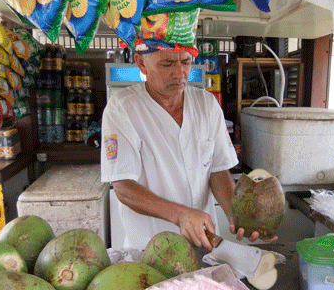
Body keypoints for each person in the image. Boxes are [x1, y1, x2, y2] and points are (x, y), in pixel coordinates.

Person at [101, 41, 269, 250]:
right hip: (149, 250)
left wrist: (237, 213)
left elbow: (217, 171)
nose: (179, 73)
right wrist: (180, 215)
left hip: (203, 244)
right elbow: (124, 188)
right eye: (167, 64)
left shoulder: (206, 104)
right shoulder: (123, 108)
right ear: (141, 63)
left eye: (186, 62)